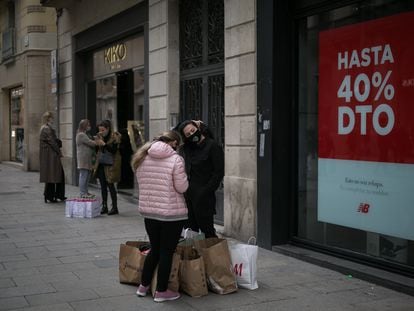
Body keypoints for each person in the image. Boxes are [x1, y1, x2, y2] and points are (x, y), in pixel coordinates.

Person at [132, 131, 188, 302]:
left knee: (155, 249)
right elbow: (182, 187)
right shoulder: (176, 159)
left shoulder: (142, 157)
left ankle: (143, 286)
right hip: (171, 214)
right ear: (172, 142)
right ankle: (162, 291)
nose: (177, 147)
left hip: (149, 213)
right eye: (176, 144)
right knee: (166, 252)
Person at [176, 120, 224, 238]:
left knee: (207, 232)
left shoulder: (212, 146)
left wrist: (206, 191)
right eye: (188, 134)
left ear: (198, 128)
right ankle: (195, 256)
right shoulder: (188, 147)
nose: (192, 134)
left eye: (193, 130)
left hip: (204, 197)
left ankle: (214, 256)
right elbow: (174, 133)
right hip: (188, 197)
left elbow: (218, 172)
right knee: (189, 233)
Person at [93, 120, 121, 215]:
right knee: (103, 186)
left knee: (110, 185)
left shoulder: (115, 136)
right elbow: (97, 151)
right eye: (100, 130)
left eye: (103, 130)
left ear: (108, 128)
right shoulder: (100, 136)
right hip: (101, 164)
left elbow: (113, 151)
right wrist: (97, 144)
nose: (101, 132)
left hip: (110, 165)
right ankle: (104, 206)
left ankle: (115, 207)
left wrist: (104, 144)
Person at [39, 111, 66, 203]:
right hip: (51, 155)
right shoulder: (46, 128)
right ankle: (52, 195)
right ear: (48, 118)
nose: (53, 119)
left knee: (53, 175)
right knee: (54, 175)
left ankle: (54, 195)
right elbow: (52, 142)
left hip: (50, 155)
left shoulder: (46, 128)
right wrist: (59, 152)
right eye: (51, 117)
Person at [76, 119, 104, 198]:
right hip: (83, 159)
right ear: (84, 126)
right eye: (88, 125)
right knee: (84, 175)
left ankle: (85, 192)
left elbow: (90, 141)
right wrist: (99, 142)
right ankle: (82, 193)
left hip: (87, 159)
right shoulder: (81, 134)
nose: (89, 126)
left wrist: (96, 139)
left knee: (87, 176)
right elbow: (91, 143)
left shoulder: (85, 134)